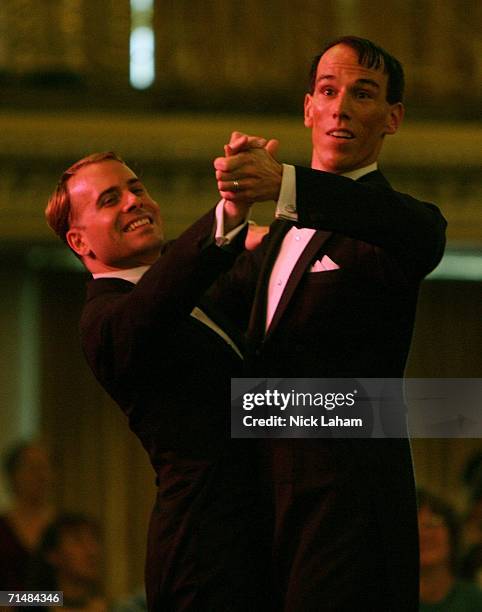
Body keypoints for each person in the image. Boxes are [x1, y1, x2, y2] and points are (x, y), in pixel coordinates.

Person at [209, 36, 447, 610]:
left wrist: (288, 185)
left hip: (349, 508)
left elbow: (415, 229)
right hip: (262, 500)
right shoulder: (275, 239)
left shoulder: (395, 226)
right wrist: (230, 216)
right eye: (328, 90)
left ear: (392, 118)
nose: (341, 107)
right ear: (308, 107)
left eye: (362, 94)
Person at [44, 151, 274, 611]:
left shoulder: (192, 291)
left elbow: (251, 403)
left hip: (255, 544)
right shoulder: (105, 320)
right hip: (203, 560)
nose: (134, 201)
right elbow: (160, 297)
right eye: (111, 199)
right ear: (79, 241)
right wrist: (228, 214)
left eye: (137, 188)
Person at [0, 440, 55, 590]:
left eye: (45, 468)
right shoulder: (3, 528)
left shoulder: (59, 527)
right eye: (33, 468)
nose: (42, 476)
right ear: (13, 475)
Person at [418, 489, 482, 611]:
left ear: (452, 535)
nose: (422, 534)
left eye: (431, 524)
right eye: (414, 527)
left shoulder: (474, 601)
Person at [27, 513, 107, 612]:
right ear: (53, 555)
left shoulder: (110, 606)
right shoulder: (34, 600)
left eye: (93, 540)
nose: (92, 551)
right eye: (78, 541)